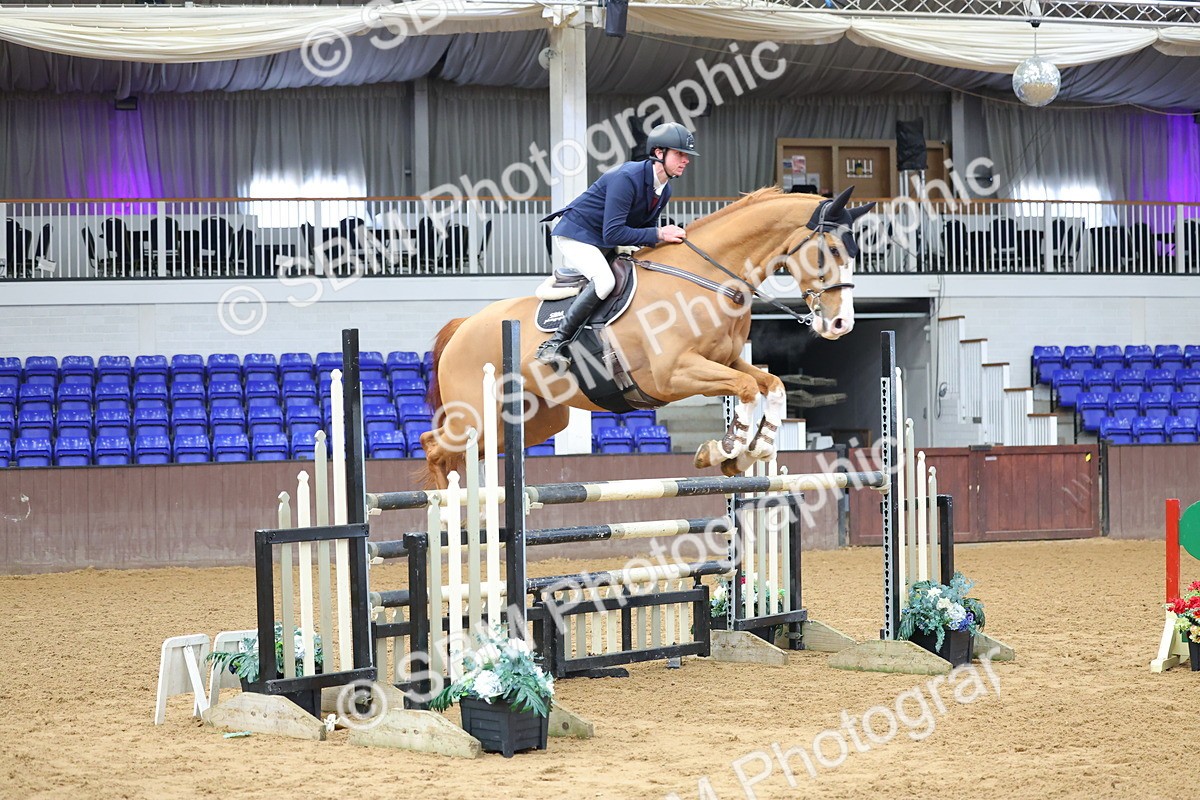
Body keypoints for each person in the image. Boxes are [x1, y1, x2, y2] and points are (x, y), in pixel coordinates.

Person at [535, 121, 698, 370]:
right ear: (659, 153)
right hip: (578, 235)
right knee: (605, 281)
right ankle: (554, 343)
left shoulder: (664, 190)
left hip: (605, 239)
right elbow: (614, 233)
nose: (686, 160)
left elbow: (645, 230)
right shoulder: (627, 177)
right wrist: (659, 234)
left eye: (687, 155)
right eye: (679, 154)